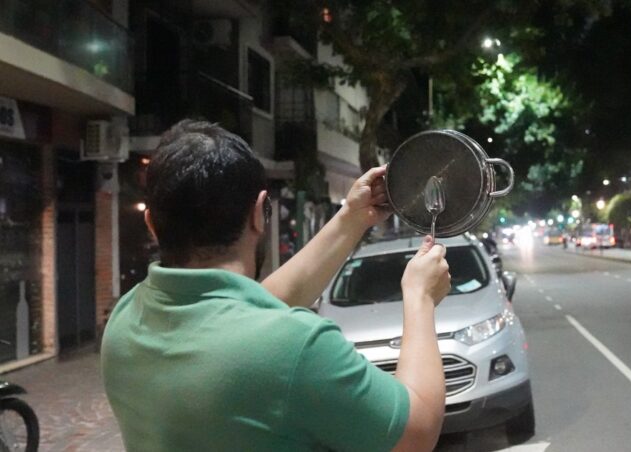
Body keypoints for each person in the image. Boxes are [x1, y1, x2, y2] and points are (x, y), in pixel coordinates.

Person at [101, 120, 451, 451]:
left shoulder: (124, 321)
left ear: (152, 223)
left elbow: (245, 317)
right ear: (258, 214)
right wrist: (420, 298)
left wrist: (352, 218)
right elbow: (415, 433)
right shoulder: (297, 347)